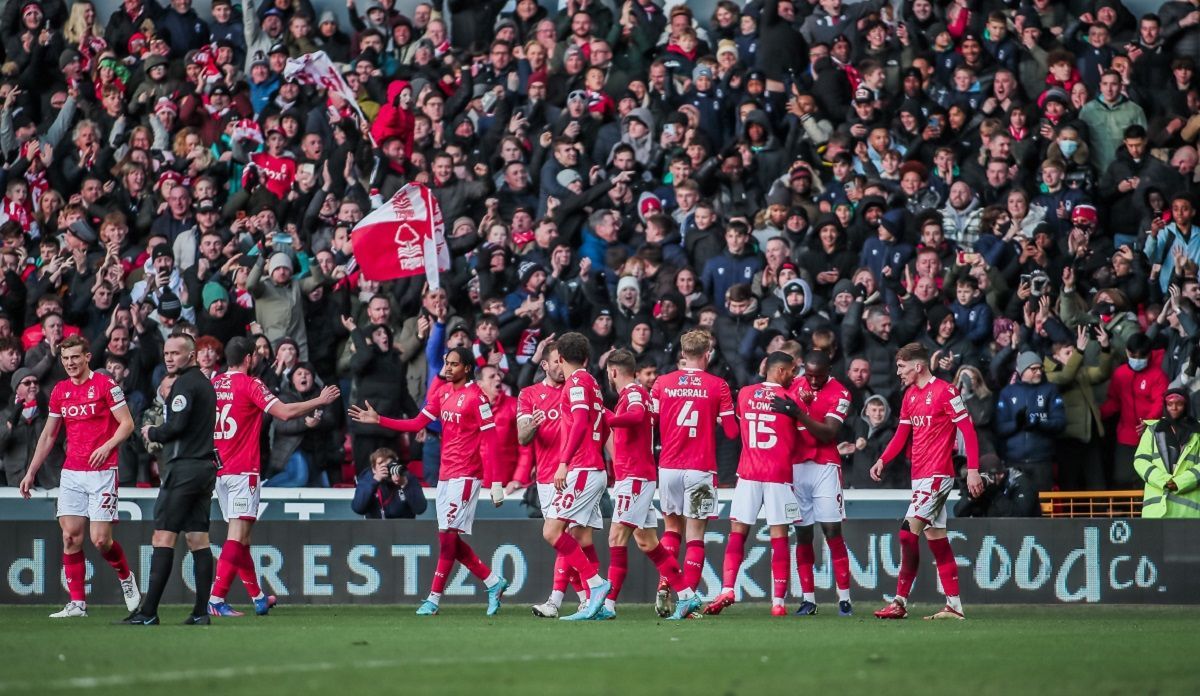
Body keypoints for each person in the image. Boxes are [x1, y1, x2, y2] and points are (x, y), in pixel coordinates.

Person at [348, 346, 509, 617]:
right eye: (446, 363)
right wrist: (379, 420)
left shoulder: (477, 397)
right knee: (449, 540)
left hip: (466, 475)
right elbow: (416, 423)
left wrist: (496, 483)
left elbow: (491, 440)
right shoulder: (442, 392)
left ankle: (433, 600)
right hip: (445, 476)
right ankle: (493, 582)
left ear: (467, 368)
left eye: (454, 364)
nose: (448, 368)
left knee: (447, 539)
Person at [206, 337, 341, 618]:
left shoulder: (214, 384)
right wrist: (320, 400)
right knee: (237, 535)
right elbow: (285, 412)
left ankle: (258, 598)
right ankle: (216, 599)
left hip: (220, 470)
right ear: (248, 358)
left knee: (243, 538)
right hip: (243, 470)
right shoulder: (250, 384)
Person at [19, 336, 139, 619]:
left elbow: (127, 424)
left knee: (100, 540)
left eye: (75, 357)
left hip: (103, 472)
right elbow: (49, 435)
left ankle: (126, 576)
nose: (70, 363)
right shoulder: (60, 391)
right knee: (70, 537)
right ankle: (77, 604)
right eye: (65, 358)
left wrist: (108, 446)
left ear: (87, 357)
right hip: (72, 472)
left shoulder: (105, 385)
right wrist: (31, 471)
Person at [871, 343, 983, 621]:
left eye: (901, 367)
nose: (899, 373)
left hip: (937, 475)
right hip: (919, 477)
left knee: (907, 533)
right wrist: (883, 459)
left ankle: (899, 601)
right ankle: (954, 606)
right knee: (937, 541)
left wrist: (973, 470)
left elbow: (967, 430)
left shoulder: (946, 391)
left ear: (918, 366)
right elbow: (901, 434)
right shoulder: (909, 395)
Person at [124, 333, 218, 626]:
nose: (169, 358)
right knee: (198, 539)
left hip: (184, 468)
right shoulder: (204, 384)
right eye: (166, 353)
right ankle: (200, 613)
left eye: (175, 353)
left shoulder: (185, 384)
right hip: (204, 468)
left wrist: (152, 431)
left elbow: (177, 426)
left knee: (163, 536)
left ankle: (148, 612)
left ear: (191, 355)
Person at [705, 352, 803, 617]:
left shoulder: (746, 394)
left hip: (748, 473)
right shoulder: (791, 398)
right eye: (792, 371)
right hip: (778, 474)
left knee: (737, 533)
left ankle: (727, 588)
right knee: (779, 537)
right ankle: (778, 602)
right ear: (780, 371)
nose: (795, 376)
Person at [600, 349, 695, 620]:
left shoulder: (634, 393)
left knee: (616, 538)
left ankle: (607, 605)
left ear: (613, 372)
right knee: (647, 542)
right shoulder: (634, 394)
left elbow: (637, 416)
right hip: (635, 476)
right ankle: (687, 595)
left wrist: (608, 418)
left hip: (635, 477)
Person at [649, 329, 737, 619]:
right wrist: (719, 415)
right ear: (707, 354)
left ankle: (665, 584)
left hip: (669, 467)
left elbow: (650, 421)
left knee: (671, 530)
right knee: (696, 536)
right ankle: (686, 601)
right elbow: (732, 432)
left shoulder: (662, 383)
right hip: (700, 468)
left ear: (683, 354)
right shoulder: (718, 386)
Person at [538, 332, 612, 621]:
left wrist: (564, 462)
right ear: (587, 357)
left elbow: (580, 421)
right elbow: (602, 426)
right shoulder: (592, 383)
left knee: (551, 531)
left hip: (582, 468)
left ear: (559, 358)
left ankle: (596, 584)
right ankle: (596, 605)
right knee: (579, 536)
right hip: (593, 467)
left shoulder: (577, 383)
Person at [776, 350, 855, 617]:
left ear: (828, 372)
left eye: (818, 376)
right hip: (796, 467)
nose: (812, 381)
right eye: (808, 375)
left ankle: (844, 598)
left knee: (832, 532)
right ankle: (808, 599)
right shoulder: (794, 385)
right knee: (803, 535)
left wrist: (799, 412)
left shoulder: (841, 393)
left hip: (825, 467)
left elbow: (828, 433)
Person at [1134, 390, 1200, 518]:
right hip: (1156, 512)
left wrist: (1179, 482)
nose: (1174, 408)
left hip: (1188, 513)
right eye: (1170, 404)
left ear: (1186, 405)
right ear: (1165, 406)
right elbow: (1140, 460)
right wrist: (1164, 480)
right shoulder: (1153, 430)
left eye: (1179, 404)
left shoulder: (1197, 431)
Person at [953, 453, 1042, 518]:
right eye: (982, 476)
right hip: (989, 535)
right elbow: (958, 514)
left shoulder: (1020, 483)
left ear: (1001, 474)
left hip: (1022, 535)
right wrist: (971, 496)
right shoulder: (982, 486)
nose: (986, 479)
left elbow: (1019, 517)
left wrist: (995, 494)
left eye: (988, 476)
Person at [351, 447, 429, 519]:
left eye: (389, 465)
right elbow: (358, 508)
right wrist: (375, 481)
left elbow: (420, 509)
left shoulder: (407, 477)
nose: (386, 470)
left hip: (403, 526)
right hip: (375, 527)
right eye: (382, 466)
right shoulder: (367, 480)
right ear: (374, 469)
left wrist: (405, 484)